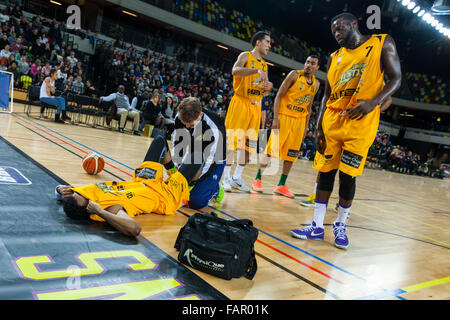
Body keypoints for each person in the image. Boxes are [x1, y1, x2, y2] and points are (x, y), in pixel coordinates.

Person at [290, 13, 401, 250]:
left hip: (360, 123)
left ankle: (340, 224)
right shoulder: (334, 57)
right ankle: (317, 226)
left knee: (348, 176)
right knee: (325, 173)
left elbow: (396, 79)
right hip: (332, 122)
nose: (337, 34)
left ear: (353, 24)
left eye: (340, 29)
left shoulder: (382, 42)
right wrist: (319, 127)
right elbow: (327, 95)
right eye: (333, 32)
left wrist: (373, 102)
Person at [55, 136, 202, 237]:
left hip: (143, 180)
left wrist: (60, 191)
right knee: (198, 155)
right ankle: (189, 183)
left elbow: (60, 192)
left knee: (159, 141)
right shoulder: (109, 209)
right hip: (164, 196)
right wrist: (100, 212)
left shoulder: (82, 194)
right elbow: (134, 229)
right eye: (79, 197)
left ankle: (174, 171)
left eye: (76, 194)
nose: (78, 193)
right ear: (87, 207)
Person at [252, 55, 320, 198]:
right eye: (307, 62)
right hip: (284, 117)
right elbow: (278, 96)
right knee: (271, 151)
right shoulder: (294, 75)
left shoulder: (316, 84)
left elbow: (309, 106)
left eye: (312, 63)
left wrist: (306, 128)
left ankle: (281, 185)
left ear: (317, 68)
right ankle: (257, 180)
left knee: (291, 154)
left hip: (299, 121)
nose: (308, 65)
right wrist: (276, 118)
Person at [222, 31, 273, 192]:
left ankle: (237, 177)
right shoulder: (246, 56)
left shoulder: (264, 65)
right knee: (231, 143)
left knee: (248, 146)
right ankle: (225, 178)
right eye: (267, 42)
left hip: (256, 106)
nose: (269, 46)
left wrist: (269, 88)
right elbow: (235, 71)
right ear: (258, 42)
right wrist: (254, 71)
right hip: (241, 103)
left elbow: (264, 89)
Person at [172, 97, 227, 209]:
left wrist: (192, 183)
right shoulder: (180, 116)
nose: (187, 126)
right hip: (194, 153)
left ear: (200, 115)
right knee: (176, 188)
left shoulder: (214, 130)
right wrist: (177, 165)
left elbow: (209, 164)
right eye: (184, 123)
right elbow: (178, 142)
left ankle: (215, 188)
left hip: (215, 159)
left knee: (195, 202)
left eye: (190, 124)